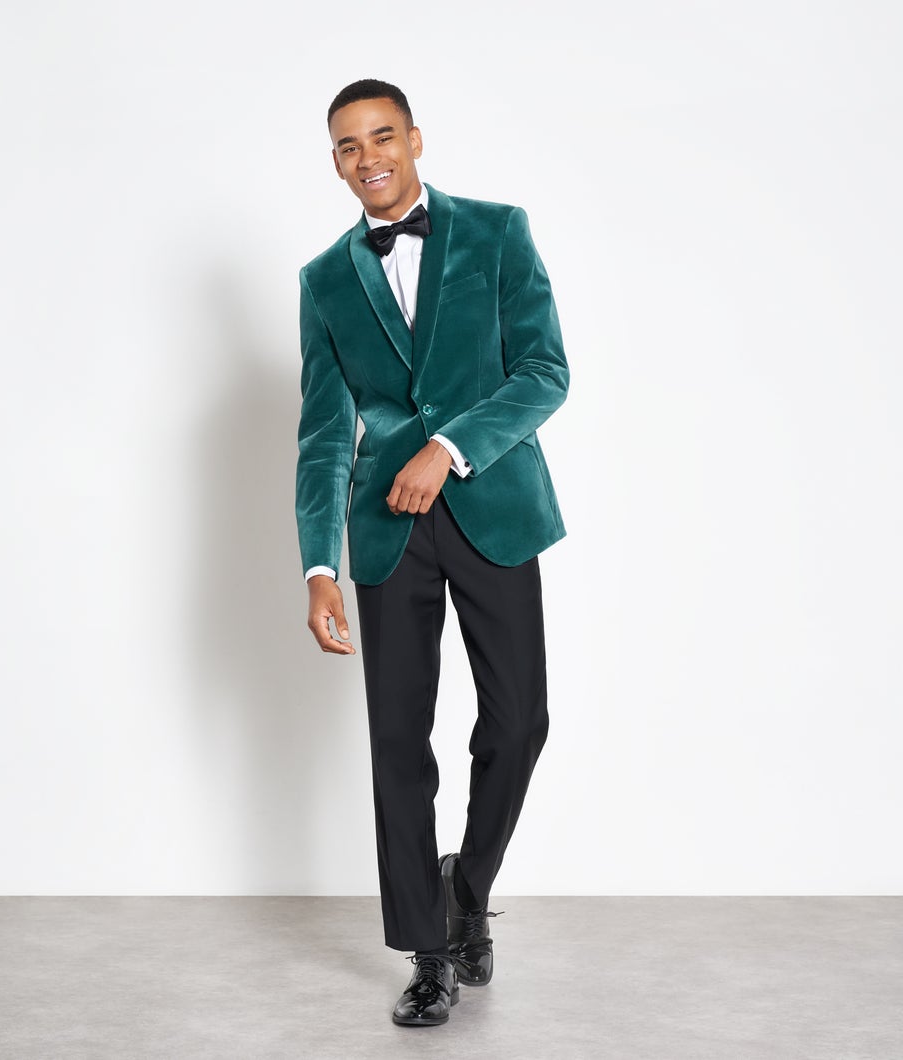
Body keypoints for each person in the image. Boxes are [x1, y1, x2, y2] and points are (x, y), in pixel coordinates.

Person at [295, 78, 569, 1027]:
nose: (367, 157)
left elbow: (544, 371)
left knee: (519, 720)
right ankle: (427, 952)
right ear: (335, 162)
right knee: (397, 745)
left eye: (381, 136)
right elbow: (323, 436)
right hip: (385, 535)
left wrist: (447, 447)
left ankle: (467, 887)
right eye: (347, 145)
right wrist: (318, 567)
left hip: (493, 506)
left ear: (414, 138)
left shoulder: (497, 232)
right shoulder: (325, 280)